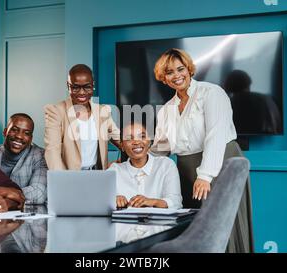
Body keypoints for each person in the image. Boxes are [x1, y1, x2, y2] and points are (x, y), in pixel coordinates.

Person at [150, 48, 253, 253]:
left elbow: (215, 135)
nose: (177, 75)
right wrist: (136, 158)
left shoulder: (211, 93)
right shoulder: (166, 110)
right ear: (164, 78)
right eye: (169, 72)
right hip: (187, 172)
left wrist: (205, 175)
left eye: (180, 69)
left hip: (219, 164)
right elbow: (162, 147)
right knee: (195, 230)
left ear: (189, 69)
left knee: (221, 227)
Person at [44, 64, 121, 170]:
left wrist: (128, 160)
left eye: (87, 87)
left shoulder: (102, 111)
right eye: (75, 87)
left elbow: (120, 140)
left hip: (96, 173)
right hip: (69, 175)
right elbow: (52, 150)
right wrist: (62, 179)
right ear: (68, 86)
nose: (81, 92)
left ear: (93, 85)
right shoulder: (56, 112)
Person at [108, 122, 182, 210]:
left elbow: (176, 202)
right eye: (129, 138)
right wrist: (112, 200)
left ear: (149, 141)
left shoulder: (166, 165)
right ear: (122, 145)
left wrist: (152, 202)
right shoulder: (114, 170)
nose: (136, 142)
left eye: (142, 136)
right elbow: (100, 201)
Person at [0, 113, 48, 205]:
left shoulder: (40, 155)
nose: (19, 136)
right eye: (15, 130)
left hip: (25, 216)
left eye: (26, 133)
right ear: (5, 132)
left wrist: (6, 197)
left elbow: (39, 192)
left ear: (30, 138)